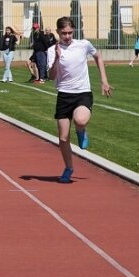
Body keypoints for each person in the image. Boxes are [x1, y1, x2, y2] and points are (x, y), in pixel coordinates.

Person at [47, 17, 113, 183]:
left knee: (80, 120)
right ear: (58, 32)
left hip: (82, 93)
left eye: (70, 32)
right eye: (63, 33)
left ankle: (81, 130)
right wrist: (56, 58)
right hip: (64, 95)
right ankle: (68, 168)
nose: (67, 36)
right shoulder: (52, 50)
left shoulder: (83, 44)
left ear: (73, 31)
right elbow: (51, 76)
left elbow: (98, 57)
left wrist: (104, 80)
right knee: (63, 138)